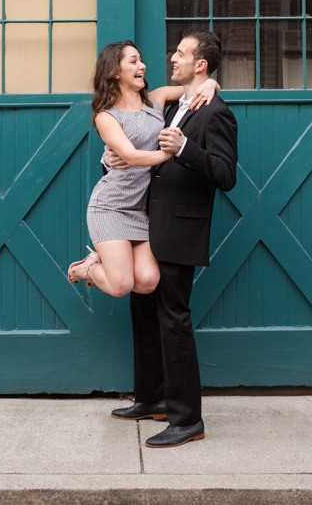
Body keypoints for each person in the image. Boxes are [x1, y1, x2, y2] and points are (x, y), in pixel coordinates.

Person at [107, 29, 238, 449]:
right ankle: (152, 398)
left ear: (201, 64)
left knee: (173, 320)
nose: (172, 58)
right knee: (143, 312)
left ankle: (187, 420)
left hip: (180, 229)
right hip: (146, 224)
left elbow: (225, 174)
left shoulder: (215, 111)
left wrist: (184, 149)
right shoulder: (176, 104)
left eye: (181, 53)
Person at [66, 40, 218, 298]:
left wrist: (213, 83)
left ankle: (100, 266)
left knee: (147, 282)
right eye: (133, 61)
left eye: (141, 59)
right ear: (115, 71)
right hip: (110, 206)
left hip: (139, 209)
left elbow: (193, 85)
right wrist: (172, 153)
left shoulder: (155, 100)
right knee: (121, 285)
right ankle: (87, 269)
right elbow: (131, 156)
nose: (142, 65)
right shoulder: (107, 116)